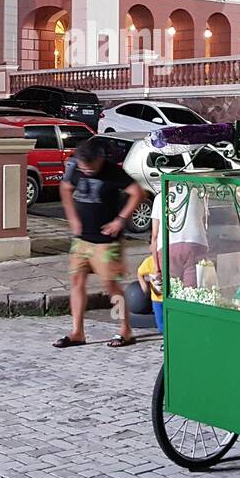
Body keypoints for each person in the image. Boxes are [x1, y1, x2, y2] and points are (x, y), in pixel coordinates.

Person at [53, 137, 144, 349]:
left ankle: (125, 330)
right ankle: (77, 332)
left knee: (110, 285)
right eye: (83, 169)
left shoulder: (113, 172)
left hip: (106, 241)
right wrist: (72, 217)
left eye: (90, 169)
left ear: (99, 160)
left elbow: (137, 193)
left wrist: (120, 220)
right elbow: (65, 188)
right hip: (82, 239)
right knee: (76, 281)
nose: (86, 172)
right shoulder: (76, 167)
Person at [150, 180, 209, 288]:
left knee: (173, 290)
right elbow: (203, 221)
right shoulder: (197, 194)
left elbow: (154, 236)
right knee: (192, 291)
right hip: (196, 244)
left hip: (168, 247)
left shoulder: (160, 197)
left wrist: (157, 268)